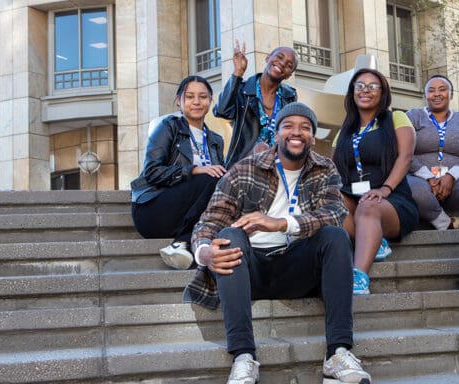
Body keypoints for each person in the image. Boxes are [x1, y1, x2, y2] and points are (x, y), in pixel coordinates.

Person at [184, 102, 371, 384]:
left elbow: (334, 214)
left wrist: (281, 223)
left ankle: (337, 353)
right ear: (276, 132)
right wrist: (203, 253)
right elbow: (210, 220)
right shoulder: (245, 169)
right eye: (289, 126)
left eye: (305, 128)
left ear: (312, 136)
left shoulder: (324, 168)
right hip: (251, 269)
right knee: (228, 237)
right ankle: (243, 357)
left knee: (336, 235)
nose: (297, 133)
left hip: (299, 267)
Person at [332, 68, 418, 295]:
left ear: (383, 92)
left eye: (373, 86)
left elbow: (406, 156)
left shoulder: (395, 118)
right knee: (329, 203)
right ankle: (373, 238)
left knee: (368, 205)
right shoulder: (346, 129)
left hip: (392, 199)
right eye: (359, 86)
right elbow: (332, 167)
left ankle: (359, 276)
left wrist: (386, 188)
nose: (365, 91)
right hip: (352, 196)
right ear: (352, 92)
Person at [131, 75, 226, 270]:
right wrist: (194, 170)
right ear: (179, 101)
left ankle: (189, 245)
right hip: (154, 208)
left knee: (221, 182)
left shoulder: (216, 140)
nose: (197, 102)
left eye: (203, 97)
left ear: (210, 101)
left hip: (189, 215)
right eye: (190, 96)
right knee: (209, 178)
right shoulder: (168, 127)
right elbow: (152, 172)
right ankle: (182, 242)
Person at [406, 75, 459, 230]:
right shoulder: (413, 116)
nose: (437, 94)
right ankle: (444, 222)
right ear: (425, 95)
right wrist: (427, 177)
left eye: (443, 89)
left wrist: (451, 176)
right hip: (419, 179)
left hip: (457, 180)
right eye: (431, 90)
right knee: (414, 188)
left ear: (451, 94)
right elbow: (404, 151)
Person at [213, 39, 298, 169]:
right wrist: (238, 73)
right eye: (279, 57)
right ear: (267, 58)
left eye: (289, 65)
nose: (282, 63)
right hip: (242, 165)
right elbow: (221, 111)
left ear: (289, 75)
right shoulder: (243, 90)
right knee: (262, 148)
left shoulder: (289, 96)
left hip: (277, 163)